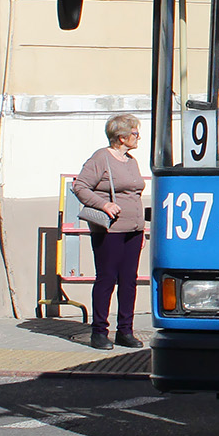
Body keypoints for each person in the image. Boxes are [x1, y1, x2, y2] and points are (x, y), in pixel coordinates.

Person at [72, 114, 147, 351]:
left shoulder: (131, 160)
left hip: (133, 229)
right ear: (121, 137)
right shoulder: (101, 158)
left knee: (129, 281)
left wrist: (140, 225)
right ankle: (99, 332)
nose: (138, 137)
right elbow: (80, 186)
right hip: (110, 230)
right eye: (135, 133)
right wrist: (103, 205)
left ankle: (125, 330)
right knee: (107, 279)